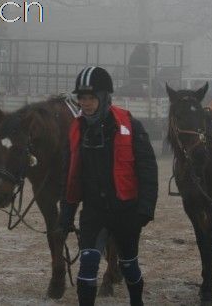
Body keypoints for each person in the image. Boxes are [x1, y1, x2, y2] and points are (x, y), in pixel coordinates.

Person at [59, 66, 158, 306]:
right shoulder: (76, 130)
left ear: (104, 97)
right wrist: (66, 216)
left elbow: (148, 169)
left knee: (128, 265)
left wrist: (145, 209)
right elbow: (71, 177)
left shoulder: (131, 125)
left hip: (126, 210)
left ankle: (137, 302)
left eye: (91, 98)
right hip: (94, 211)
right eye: (82, 98)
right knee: (88, 265)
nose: (86, 103)